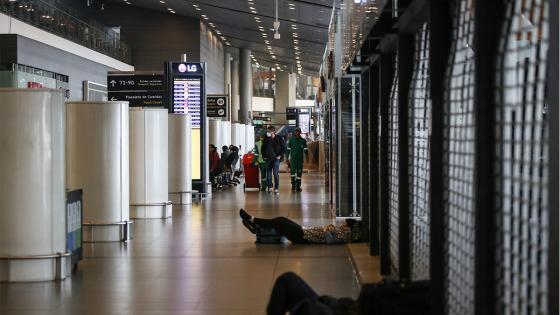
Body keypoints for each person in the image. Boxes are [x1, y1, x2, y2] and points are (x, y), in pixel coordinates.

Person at [266, 272, 430, 315]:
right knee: (287, 280)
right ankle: (255, 221)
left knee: (309, 309)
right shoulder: (427, 293)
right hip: (347, 308)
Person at [239, 209, 358, 244]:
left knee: (280, 224)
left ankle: (254, 220)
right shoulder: (343, 230)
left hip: (304, 237)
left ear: (349, 227)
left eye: (346, 223)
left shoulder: (344, 235)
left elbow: (330, 240)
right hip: (306, 230)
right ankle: (256, 225)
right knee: (281, 219)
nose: (343, 223)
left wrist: (327, 229)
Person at [261, 125, 286, 195]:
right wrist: (264, 156)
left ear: (273, 132)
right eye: (267, 131)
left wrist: (280, 155)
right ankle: (269, 187)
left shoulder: (279, 138)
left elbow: (284, 148)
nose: (267, 133)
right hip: (268, 159)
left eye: (269, 131)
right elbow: (263, 148)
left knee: (275, 173)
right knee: (268, 174)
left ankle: (276, 188)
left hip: (276, 159)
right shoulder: (266, 138)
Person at [287, 127, 308, 192]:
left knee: (299, 173)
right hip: (293, 159)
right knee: (292, 173)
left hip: (300, 160)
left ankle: (298, 186)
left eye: (298, 131)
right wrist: (287, 158)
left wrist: (307, 158)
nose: (297, 133)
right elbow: (288, 150)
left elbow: (305, 150)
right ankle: (293, 185)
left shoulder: (303, 141)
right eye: (296, 131)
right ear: (294, 132)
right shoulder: (291, 140)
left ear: (300, 132)